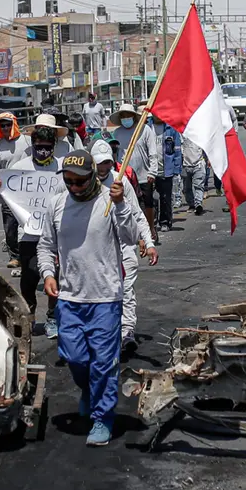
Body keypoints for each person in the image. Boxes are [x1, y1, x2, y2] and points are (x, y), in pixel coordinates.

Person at [37, 149, 137, 447]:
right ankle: (90, 390)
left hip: (105, 298)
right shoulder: (57, 204)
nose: (73, 187)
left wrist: (120, 205)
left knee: (104, 363)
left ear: (93, 177)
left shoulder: (111, 200)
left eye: (79, 182)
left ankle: (102, 417)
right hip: (69, 298)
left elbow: (131, 237)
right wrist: (47, 274)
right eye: (68, 181)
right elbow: (45, 245)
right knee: (75, 357)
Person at [91, 140, 157, 353]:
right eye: (99, 163)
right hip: (98, 251)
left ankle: (127, 332)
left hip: (124, 246)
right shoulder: (84, 184)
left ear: (112, 162)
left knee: (126, 291)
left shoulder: (122, 183)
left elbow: (137, 215)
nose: (103, 167)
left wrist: (149, 242)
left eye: (107, 163)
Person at [9, 126, 63, 339]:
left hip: (55, 235)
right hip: (29, 234)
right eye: (38, 147)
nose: (42, 151)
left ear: (54, 147)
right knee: (29, 278)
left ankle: (52, 317)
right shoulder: (20, 167)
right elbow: (9, 192)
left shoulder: (61, 167)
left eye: (47, 148)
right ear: (32, 146)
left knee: (54, 277)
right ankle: (29, 316)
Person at [111, 104, 159, 242]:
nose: (126, 118)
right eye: (123, 116)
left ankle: (150, 228)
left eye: (128, 116)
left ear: (133, 116)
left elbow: (152, 152)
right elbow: (116, 153)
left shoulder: (145, 130)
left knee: (147, 204)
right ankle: (135, 233)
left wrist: (152, 172)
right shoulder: (117, 133)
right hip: (126, 175)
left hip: (144, 175)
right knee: (130, 205)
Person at [0, 112, 30, 268]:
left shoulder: (27, 141)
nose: (5, 128)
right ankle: (14, 255)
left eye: (8, 124)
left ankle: (29, 255)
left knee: (27, 224)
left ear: (14, 124)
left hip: (26, 190)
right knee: (9, 227)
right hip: (7, 193)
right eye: (2, 125)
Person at [151, 115, 182, 232]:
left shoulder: (171, 129)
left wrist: (176, 169)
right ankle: (152, 223)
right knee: (152, 199)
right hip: (151, 171)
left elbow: (177, 150)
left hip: (166, 170)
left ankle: (165, 222)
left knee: (165, 198)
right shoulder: (146, 127)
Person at [180, 135, 206, 215]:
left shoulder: (199, 133)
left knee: (198, 186)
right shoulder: (181, 133)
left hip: (198, 164)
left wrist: (208, 159)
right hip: (185, 165)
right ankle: (191, 205)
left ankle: (198, 205)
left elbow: (206, 146)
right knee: (186, 188)